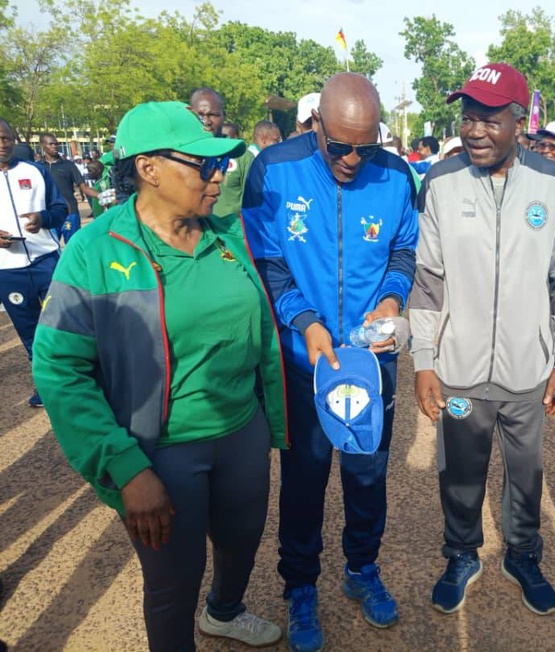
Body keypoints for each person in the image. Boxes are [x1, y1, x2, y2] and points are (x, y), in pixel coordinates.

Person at [31, 101, 287, 652]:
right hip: (162, 451)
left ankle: (224, 611)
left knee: (242, 542)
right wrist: (125, 468)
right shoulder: (94, 251)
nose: (218, 175)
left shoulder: (228, 237)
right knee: (173, 580)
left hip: (242, 432)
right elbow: (59, 369)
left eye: (220, 164)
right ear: (148, 169)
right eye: (202, 164)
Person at [242, 72, 418, 652]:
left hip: (370, 363)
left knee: (367, 475)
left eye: (364, 148)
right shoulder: (275, 170)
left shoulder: (395, 175)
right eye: (339, 146)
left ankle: (362, 569)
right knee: (304, 480)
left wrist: (393, 297)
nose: (350, 160)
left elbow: (403, 248)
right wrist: (305, 320)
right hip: (303, 360)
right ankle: (300, 587)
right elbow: (266, 258)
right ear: (315, 123)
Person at [410, 62, 555, 618]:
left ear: (519, 121)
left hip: (528, 370)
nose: (475, 130)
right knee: (458, 471)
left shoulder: (554, 185)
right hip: (458, 369)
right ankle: (461, 554)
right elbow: (427, 280)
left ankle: (523, 554)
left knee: (526, 471)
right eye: (468, 118)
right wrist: (423, 359)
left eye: (490, 119)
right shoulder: (440, 182)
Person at [0, 118, 67, 407]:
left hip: (45, 261)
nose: (3, 144)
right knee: (29, 331)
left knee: (64, 322)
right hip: (8, 270)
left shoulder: (36, 172)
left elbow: (60, 208)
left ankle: (79, 380)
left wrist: (43, 219)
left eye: (7, 138)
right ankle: (46, 387)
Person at [213, 120, 281, 218]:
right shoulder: (250, 158)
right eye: (277, 140)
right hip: (230, 222)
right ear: (264, 139)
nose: (279, 145)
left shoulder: (247, 157)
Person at [39, 132, 99, 242]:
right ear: (42, 145)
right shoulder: (38, 167)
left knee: (73, 245)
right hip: (50, 214)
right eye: (50, 144)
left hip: (70, 212)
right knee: (52, 247)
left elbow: (84, 187)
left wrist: (101, 195)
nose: (54, 146)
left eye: (56, 144)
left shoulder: (68, 165)